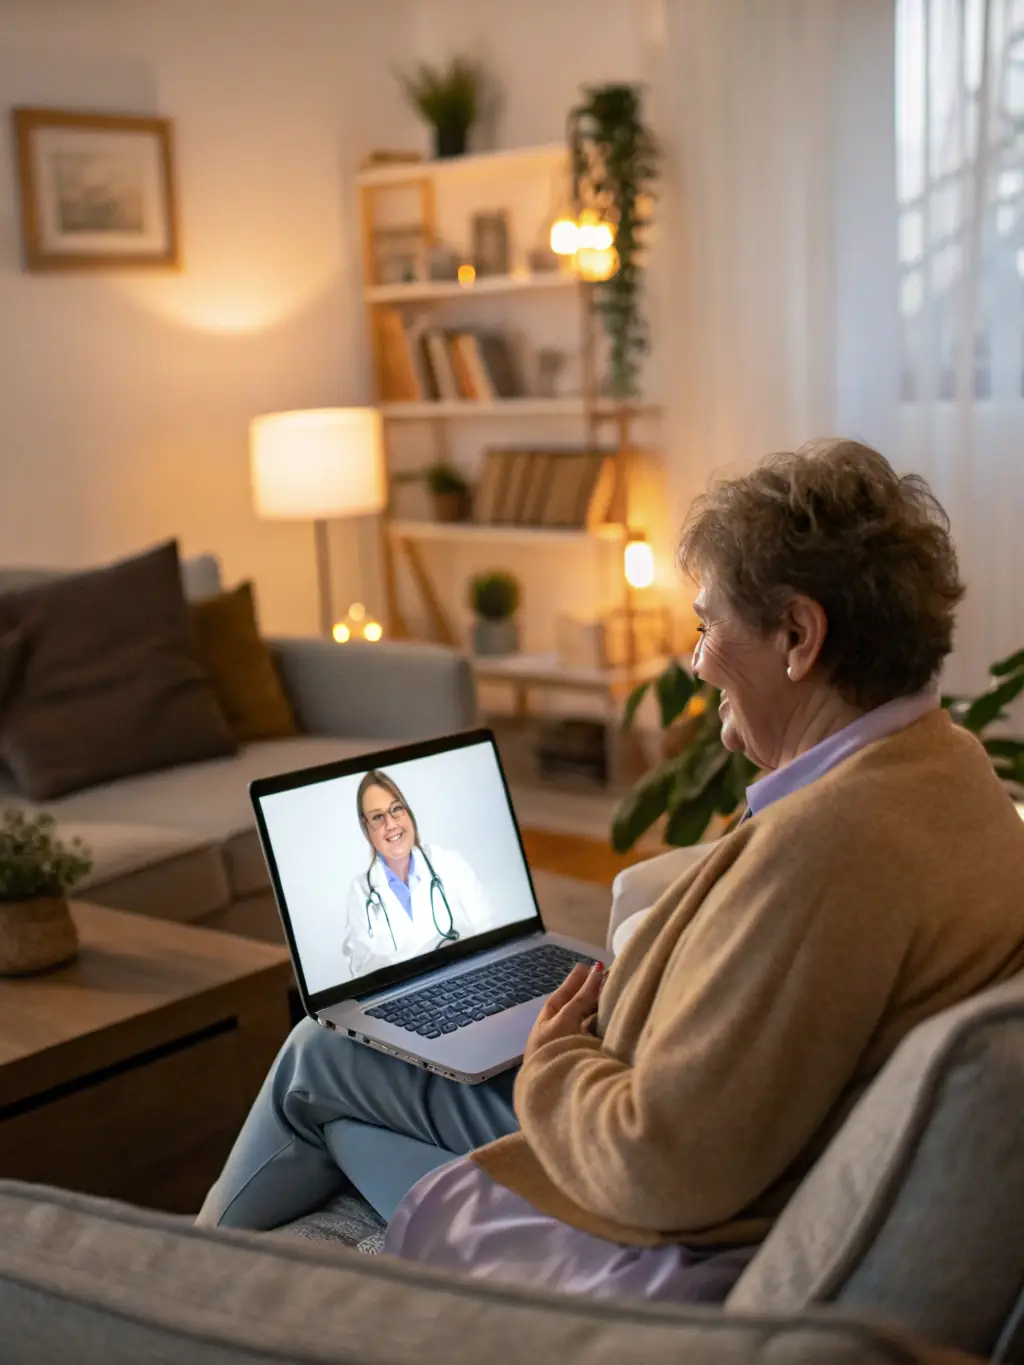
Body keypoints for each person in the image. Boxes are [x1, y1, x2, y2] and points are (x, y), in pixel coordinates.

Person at [198, 439, 1024, 1305]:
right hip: (690, 1133)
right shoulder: (953, 769)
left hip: (640, 1228)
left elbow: (661, 1166)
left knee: (319, 1058)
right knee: (342, 1067)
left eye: (708, 626)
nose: (699, 661)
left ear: (798, 635)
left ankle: (178, 1294)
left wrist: (553, 1057)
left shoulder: (832, 846)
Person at [340, 770, 500, 978]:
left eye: (396, 809)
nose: (391, 824)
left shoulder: (449, 863)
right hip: (404, 1000)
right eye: (378, 817)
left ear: (408, 812)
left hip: (467, 979)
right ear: (366, 827)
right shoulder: (361, 892)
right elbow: (361, 971)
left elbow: (489, 931)